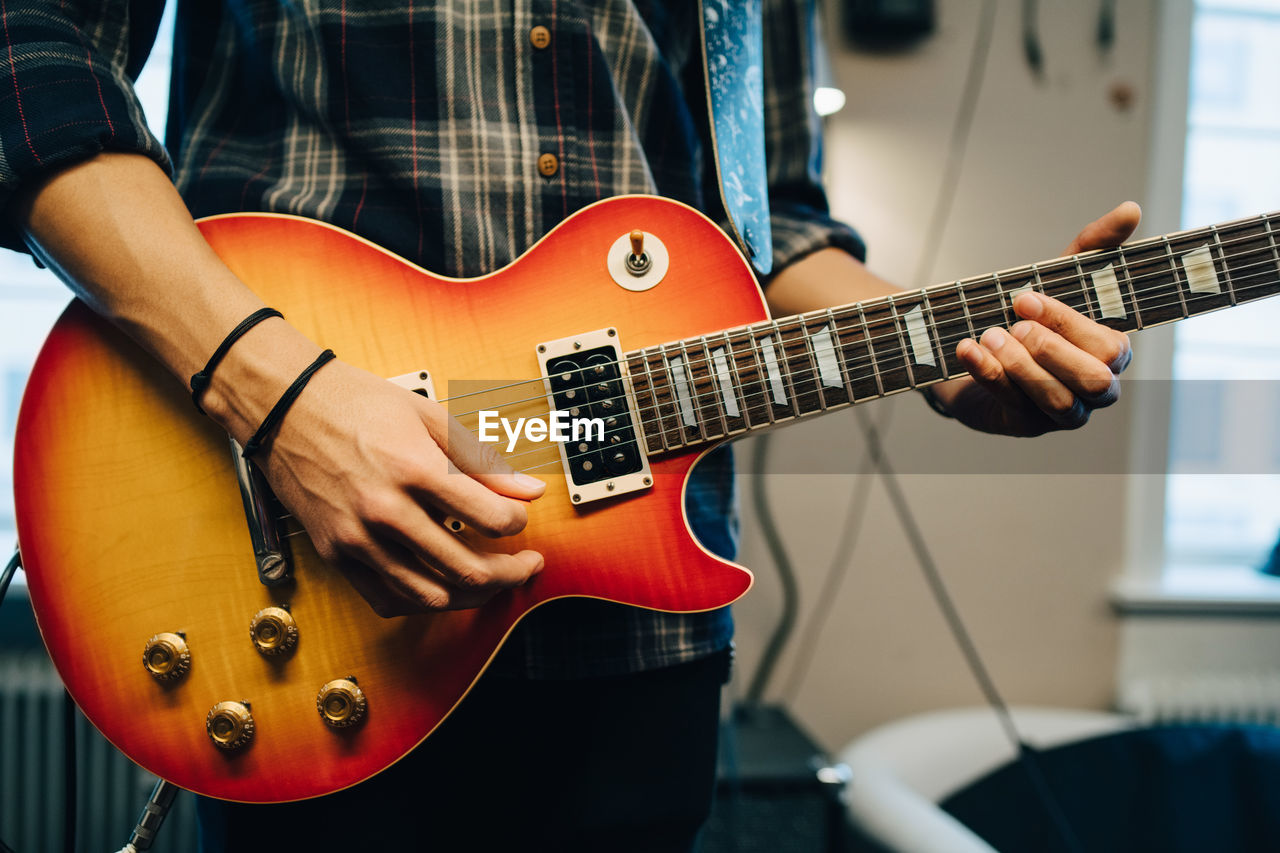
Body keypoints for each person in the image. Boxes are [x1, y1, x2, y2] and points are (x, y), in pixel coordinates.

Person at [0, 1, 1135, 849]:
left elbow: (767, 222)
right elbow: (31, 48)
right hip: (310, 581)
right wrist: (279, 396)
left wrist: (947, 348)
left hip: (633, 637)